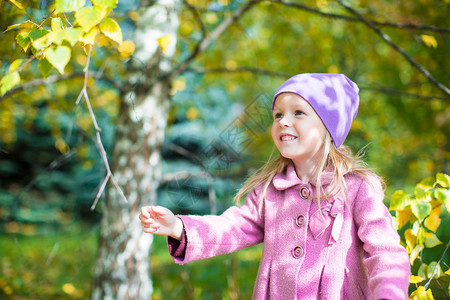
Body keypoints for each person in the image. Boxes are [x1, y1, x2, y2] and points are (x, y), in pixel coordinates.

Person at [139, 73, 411, 299]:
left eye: (298, 112)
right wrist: (178, 227)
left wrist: (388, 294)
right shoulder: (271, 190)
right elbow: (231, 227)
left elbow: (385, 251)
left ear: (329, 127)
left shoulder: (357, 188)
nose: (283, 121)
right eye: (278, 114)